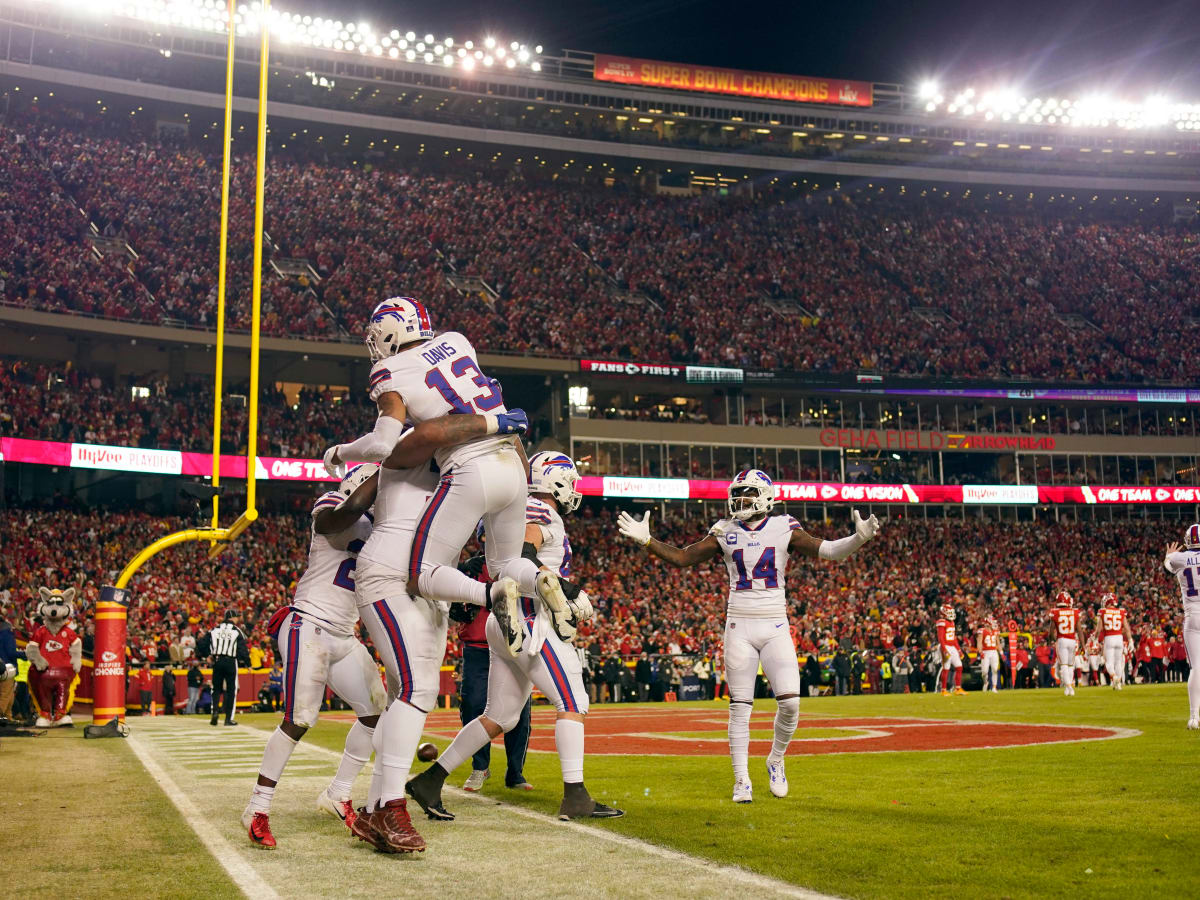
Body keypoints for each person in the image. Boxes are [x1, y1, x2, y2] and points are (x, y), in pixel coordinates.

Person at [321, 297, 566, 660]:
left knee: (422, 575)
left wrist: (340, 452)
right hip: (512, 461)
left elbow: (383, 444)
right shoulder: (457, 341)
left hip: (470, 466)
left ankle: (490, 595)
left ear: (392, 328)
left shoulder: (389, 369)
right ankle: (540, 579)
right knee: (505, 564)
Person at [616, 468, 880, 803]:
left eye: (749, 493)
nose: (741, 499)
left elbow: (828, 550)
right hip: (739, 624)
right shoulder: (724, 530)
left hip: (775, 625)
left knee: (792, 704)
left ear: (766, 497)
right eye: (739, 493)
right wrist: (646, 541)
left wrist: (859, 538)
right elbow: (683, 558)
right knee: (740, 708)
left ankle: (776, 758)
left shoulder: (784, 526)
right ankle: (741, 780)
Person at [348, 409, 537, 853]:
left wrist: (504, 435)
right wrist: (499, 422)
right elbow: (421, 438)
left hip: (426, 581)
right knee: (418, 690)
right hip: (392, 573)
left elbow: (515, 469)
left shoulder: (468, 460)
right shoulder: (423, 438)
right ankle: (388, 807)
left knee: (409, 697)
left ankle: (375, 805)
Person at [406, 452, 618, 823]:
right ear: (556, 480)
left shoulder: (515, 505)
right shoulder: (540, 511)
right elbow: (525, 552)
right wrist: (565, 588)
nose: (574, 488)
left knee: (500, 716)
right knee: (573, 702)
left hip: (502, 622)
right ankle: (576, 795)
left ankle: (430, 780)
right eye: (570, 480)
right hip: (532, 621)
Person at [243, 466, 387, 851]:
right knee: (300, 719)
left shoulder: (386, 526)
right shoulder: (335, 503)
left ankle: (338, 793)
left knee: (376, 714)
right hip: (309, 623)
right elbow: (336, 520)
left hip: (344, 633)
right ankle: (257, 807)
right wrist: (385, 471)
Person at [1162, 526, 1200, 729]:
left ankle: (1194, 717)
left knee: (1197, 667)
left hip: (1193, 616)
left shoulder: (1180, 558)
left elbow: (1166, 568)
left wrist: (1169, 556)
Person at [198, 610, 249, 726]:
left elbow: (201, 643)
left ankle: (215, 712)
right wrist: (248, 663)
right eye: (237, 617)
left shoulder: (214, 629)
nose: (238, 620)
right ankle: (228, 719)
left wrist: (208, 655)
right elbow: (243, 649)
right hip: (230, 661)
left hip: (217, 660)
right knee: (231, 691)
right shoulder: (236, 630)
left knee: (216, 689)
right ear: (233, 618)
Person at [1050, 591, 1084, 697]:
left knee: (1064, 665)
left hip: (1062, 640)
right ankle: (1068, 687)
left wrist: (1053, 639)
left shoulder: (1055, 612)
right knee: (1070, 665)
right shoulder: (1074, 612)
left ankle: (1069, 686)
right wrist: (1082, 643)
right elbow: (1080, 630)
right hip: (1072, 640)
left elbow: (1051, 631)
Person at [935, 604, 966, 696]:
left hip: (952, 646)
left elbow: (954, 638)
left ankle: (958, 688)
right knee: (946, 668)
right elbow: (940, 638)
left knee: (959, 666)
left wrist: (959, 650)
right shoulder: (941, 622)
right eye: (949, 612)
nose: (951, 614)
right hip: (946, 646)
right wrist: (944, 649)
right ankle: (943, 690)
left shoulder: (952, 622)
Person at [977, 615, 1001, 693]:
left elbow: (998, 643)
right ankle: (985, 682)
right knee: (984, 672)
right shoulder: (982, 631)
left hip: (994, 651)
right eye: (993, 621)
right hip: (985, 652)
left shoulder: (995, 631)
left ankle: (994, 687)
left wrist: (1001, 652)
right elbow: (979, 642)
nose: (994, 623)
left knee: (994, 669)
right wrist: (980, 652)